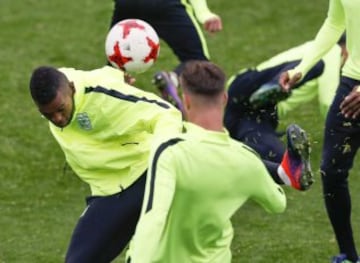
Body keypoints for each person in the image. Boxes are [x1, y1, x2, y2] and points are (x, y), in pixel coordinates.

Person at [126, 60, 314, 262]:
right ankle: (283, 172)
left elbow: (153, 218)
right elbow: (278, 204)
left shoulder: (168, 150)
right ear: (224, 98)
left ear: (186, 101)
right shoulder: (246, 158)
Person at [29, 65, 183, 262]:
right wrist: (118, 74)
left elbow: (166, 113)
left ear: (73, 89)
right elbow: (97, 73)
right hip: (108, 192)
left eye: (60, 110)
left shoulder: (104, 96)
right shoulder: (58, 82)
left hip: (145, 177)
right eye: (48, 115)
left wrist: (163, 165)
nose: (57, 118)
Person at [279, 1, 360, 262]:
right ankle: (348, 256)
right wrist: (303, 66)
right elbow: (335, 22)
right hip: (351, 83)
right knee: (332, 172)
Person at [224, 36, 346, 164]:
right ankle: (275, 85)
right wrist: (348, 129)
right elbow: (329, 103)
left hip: (247, 112)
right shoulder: (331, 51)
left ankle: (238, 148)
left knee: (281, 160)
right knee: (316, 66)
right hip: (250, 87)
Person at [109, 0, 223, 112]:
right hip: (164, 4)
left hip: (127, 4)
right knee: (198, 62)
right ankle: (171, 80)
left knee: (115, 60)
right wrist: (204, 13)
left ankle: (102, 98)